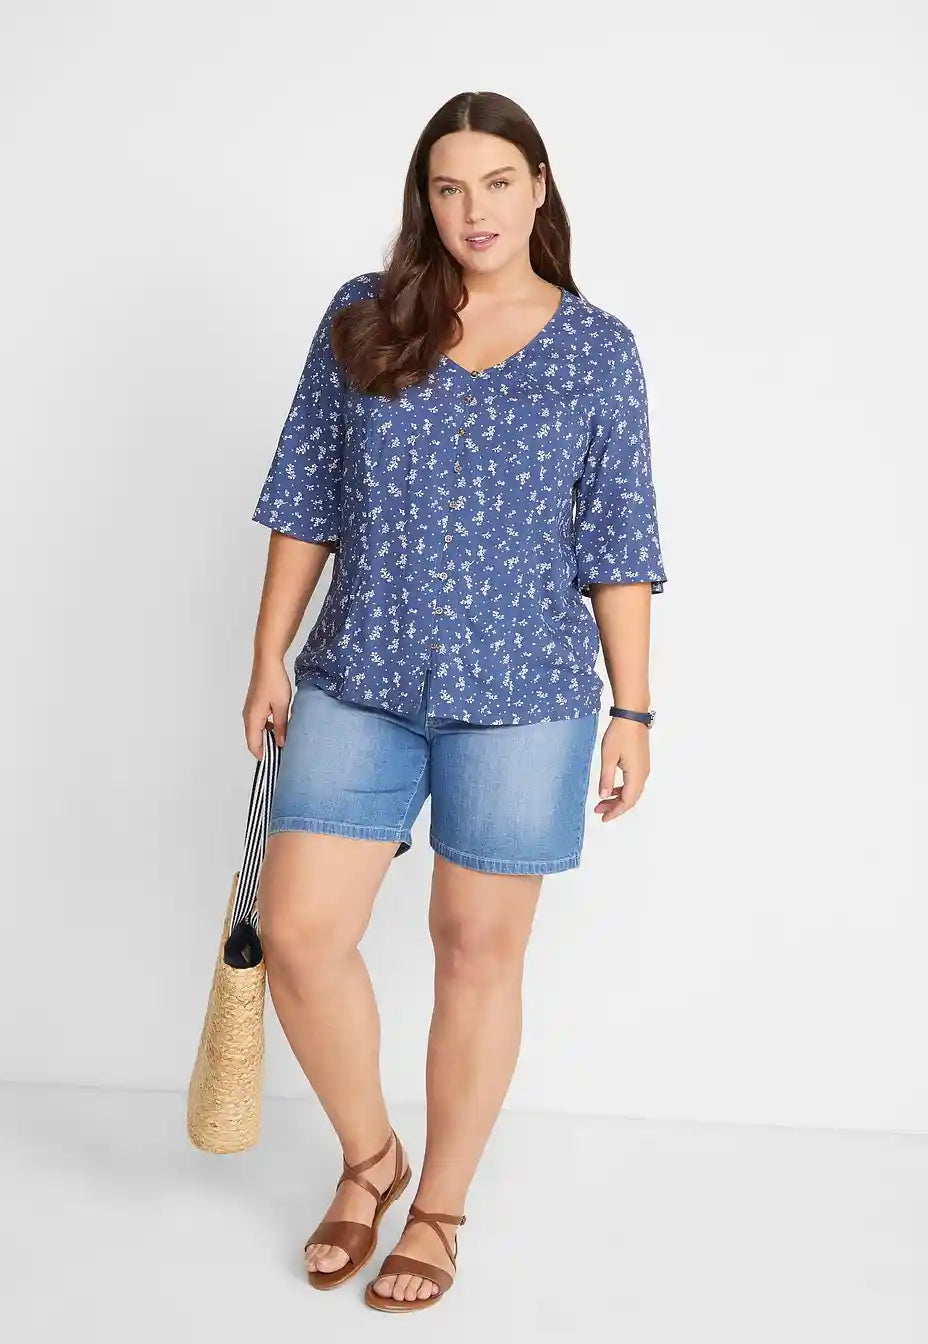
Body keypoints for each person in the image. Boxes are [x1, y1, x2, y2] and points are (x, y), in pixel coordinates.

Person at [242, 89, 668, 1313]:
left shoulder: (598, 349)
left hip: (527, 696)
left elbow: (619, 541)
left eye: (495, 182)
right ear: (423, 200)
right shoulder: (365, 316)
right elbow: (306, 497)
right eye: (446, 187)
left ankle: (438, 1207)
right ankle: (370, 1160)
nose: (472, 210)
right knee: (299, 933)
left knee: (476, 952)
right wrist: (268, 657)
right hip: (360, 677)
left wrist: (634, 712)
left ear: (539, 186)